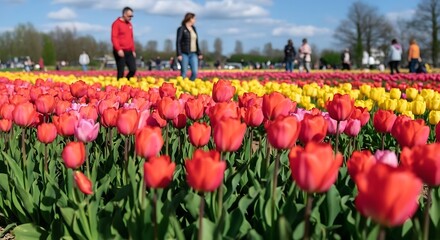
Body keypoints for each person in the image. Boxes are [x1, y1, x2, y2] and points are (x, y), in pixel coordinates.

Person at [111, 6, 136, 80]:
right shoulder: (116, 23)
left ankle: (126, 83)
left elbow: (131, 38)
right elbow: (114, 37)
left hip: (129, 50)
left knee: (133, 69)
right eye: (129, 16)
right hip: (120, 50)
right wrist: (118, 49)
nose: (131, 18)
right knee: (121, 70)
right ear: (124, 14)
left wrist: (133, 50)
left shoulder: (129, 25)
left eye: (132, 16)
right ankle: (120, 87)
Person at [176, 12, 203, 81]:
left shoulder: (194, 28)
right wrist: (179, 54)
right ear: (189, 19)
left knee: (195, 72)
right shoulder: (181, 29)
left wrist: (199, 53)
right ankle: (183, 86)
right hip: (184, 53)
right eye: (194, 19)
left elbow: (196, 42)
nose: (195, 20)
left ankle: (190, 83)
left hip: (193, 53)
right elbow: (178, 42)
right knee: (184, 72)